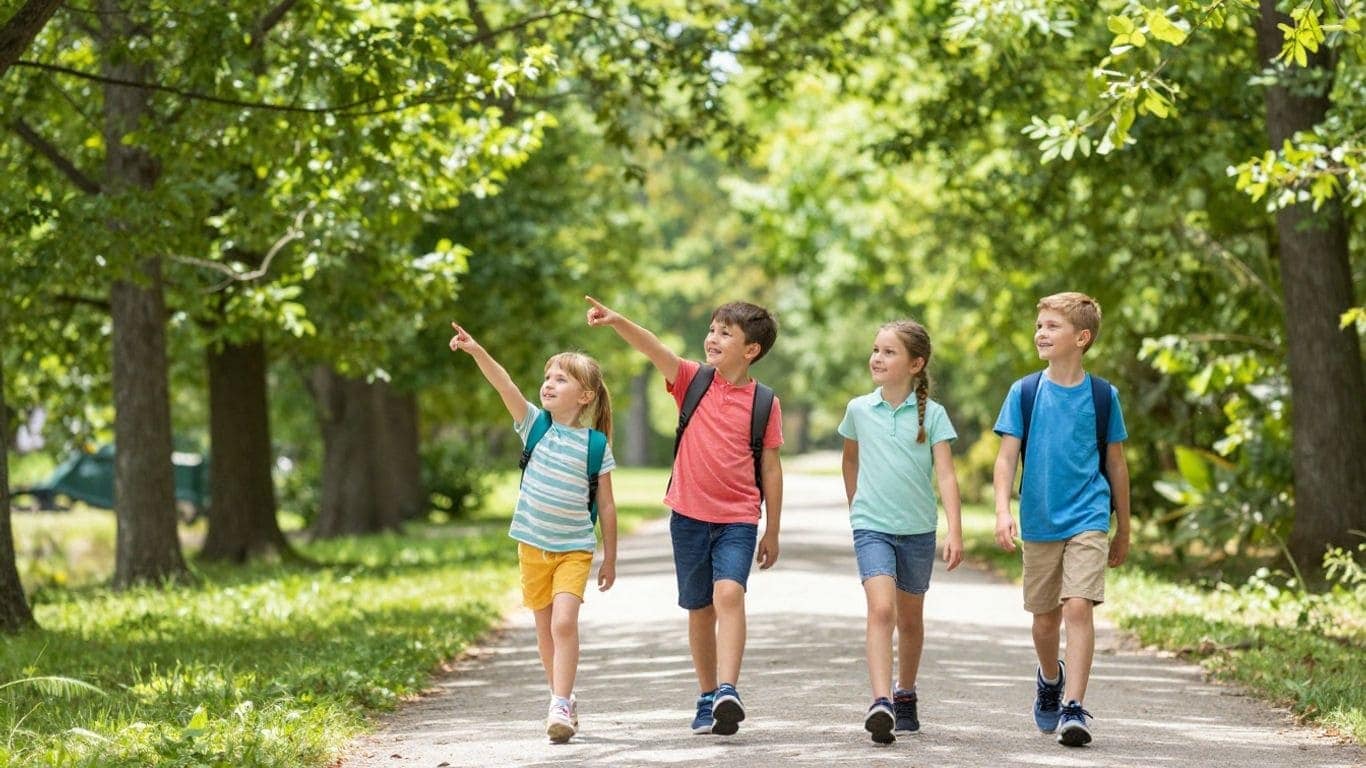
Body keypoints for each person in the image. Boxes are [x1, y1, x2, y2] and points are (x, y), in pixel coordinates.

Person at [584, 295, 783, 737]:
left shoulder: (764, 402)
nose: (712, 338)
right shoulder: (692, 380)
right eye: (712, 329)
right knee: (699, 609)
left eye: (725, 333)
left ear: (751, 350)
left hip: (738, 517)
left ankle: (729, 689)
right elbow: (654, 347)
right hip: (689, 517)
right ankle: (708, 693)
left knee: (729, 594)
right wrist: (618, 321)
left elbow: (770, 466)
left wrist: (773, 528)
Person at [448, 322, 618, 744]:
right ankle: (562, 698)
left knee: (563, 623)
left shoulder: (596, 445)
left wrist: (610, 556)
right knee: (544, 631)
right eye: (547, 378)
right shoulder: (533, 425)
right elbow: (503, 384)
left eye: (561, 379)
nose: (549, 384)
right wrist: (476, 350)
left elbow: (609, 506)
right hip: (532, 547)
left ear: (585, 396)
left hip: (573, 550)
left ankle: (559, 702)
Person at [991, 292, 1131, 747]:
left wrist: (1123, 527)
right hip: (1039, 520)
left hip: (1088, 514)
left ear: (1082, 337)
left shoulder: (1102, 395)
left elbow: (1116, 465)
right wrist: (1001, 509)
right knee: (1044, 619)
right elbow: (1006, 456)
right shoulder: (1025, 391)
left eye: (1052, 326)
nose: (1041, 333)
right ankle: (1050, 678)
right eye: (1040, 326)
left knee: (1077, 606)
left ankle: (1074, 706)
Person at [838, 319, 964, 745]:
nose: (877, 357)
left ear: (916, 364)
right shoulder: (858, 409)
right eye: (876, 349)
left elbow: (946, 476)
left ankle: (904, 693)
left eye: (889, 352)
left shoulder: (935, 415)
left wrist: (956, 531)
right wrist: (858, 507)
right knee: (882, 610)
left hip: (917, 530)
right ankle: (880, 702)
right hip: (872, 525)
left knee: (910, 619)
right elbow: (850, 460)